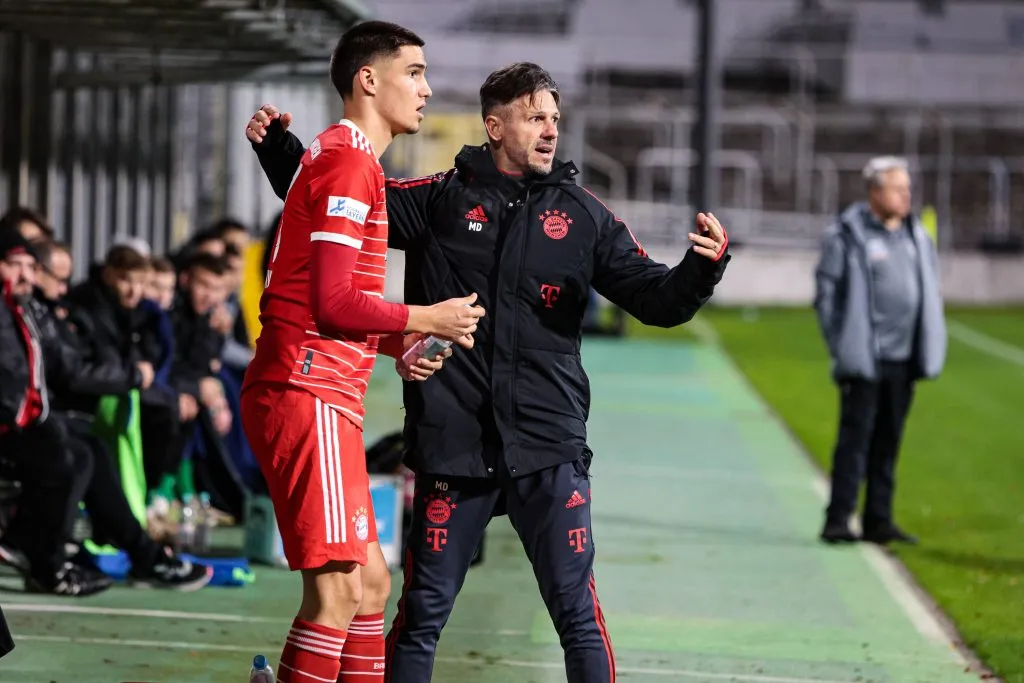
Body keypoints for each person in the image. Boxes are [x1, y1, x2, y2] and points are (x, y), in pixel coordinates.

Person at [247, 61, 730, 683]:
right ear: (495, 126)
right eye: (535, 118)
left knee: (577, 614)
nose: (550, 131)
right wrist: (280, 150)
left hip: (547, 446)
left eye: (554, 119)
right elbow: (340, 199)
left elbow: (657, 300)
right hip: (454, 448)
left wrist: (701, 269)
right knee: (421, 614)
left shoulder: (584, 216)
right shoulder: (439, 199)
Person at [238, 21, 485, 683]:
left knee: (371, 584)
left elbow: (328, 300)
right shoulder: (348, 162)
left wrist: (399, 342)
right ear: (368, 80)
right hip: (306, 392)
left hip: (324, 395)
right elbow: (331, 302)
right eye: (414, 72)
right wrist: (426, 315)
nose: (426, 89)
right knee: (339, 592)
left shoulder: (350, 159)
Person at [813, 155, 946, 545]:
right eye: (897, 188)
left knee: (889, 442)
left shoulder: (916, 234)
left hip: (905, 359)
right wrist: (843, 346)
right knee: (855, 442)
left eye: (907, 188)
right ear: (875, 192)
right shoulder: (847, 234)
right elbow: (826, 295)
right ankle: (838, 519)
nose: (906, 195)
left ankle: (878, 519)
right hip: (865, 359)